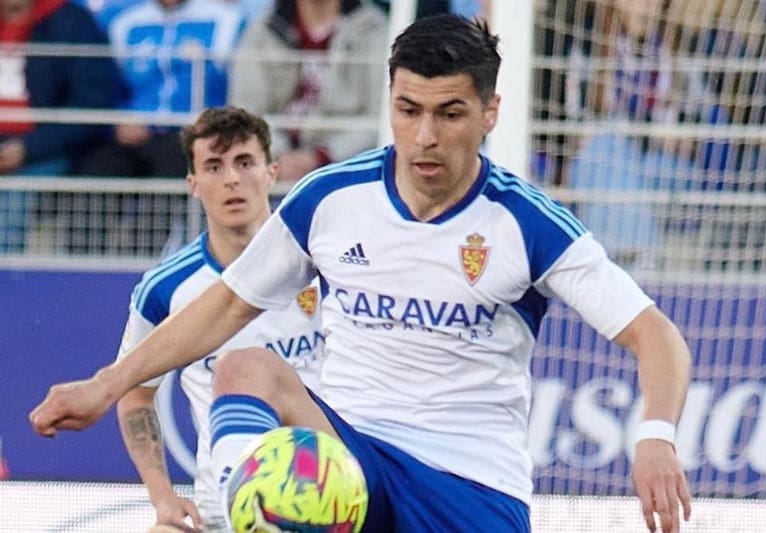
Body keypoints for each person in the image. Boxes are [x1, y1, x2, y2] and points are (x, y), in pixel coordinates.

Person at [30, 14, 693, 533]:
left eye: (449, 112)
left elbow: (655, 335)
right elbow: (228, 304)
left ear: (490, 114)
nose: (425, 135)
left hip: (471, 482)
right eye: (409, 110)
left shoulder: (526, 222)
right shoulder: (331, 198)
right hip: (351, 460)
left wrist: (656, 436)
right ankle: (247, 514)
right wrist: (108, 382)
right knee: (244, 366)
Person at [115, 106, 324, 532]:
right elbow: (134, 394)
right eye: (213, 166)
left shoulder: (322, 263)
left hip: (327, 495)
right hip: (224, 511)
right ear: (193, 184)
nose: (231, 179)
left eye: (244, 163)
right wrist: (163, 498)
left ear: (272, 172)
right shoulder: (166, 288)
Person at [0, 0, 122, 252]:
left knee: (10, 201)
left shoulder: (71, 22)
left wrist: (29, 148)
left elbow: (92, 102)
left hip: (46, 150)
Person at [76, 0, 246, 178]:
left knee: (177, 162)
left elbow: (235, 88)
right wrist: (119, 121)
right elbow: (109, 87)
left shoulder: (227, 20)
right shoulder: (124, 22)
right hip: (137, 132)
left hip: (194, 132)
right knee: (100, 168)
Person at [227, 0, 387, 184]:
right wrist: (279, 155)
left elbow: (381, 114)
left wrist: (322, 156)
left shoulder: (374, 29)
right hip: (272, 170)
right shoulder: (263, 30)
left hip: (346, 173)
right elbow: (245, 109)